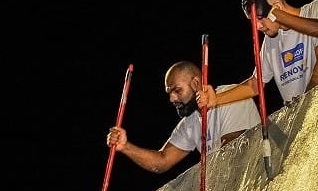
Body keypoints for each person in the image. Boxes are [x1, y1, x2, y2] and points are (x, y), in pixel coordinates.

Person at [197, 0, 318, 110]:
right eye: (253, 22)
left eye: (260, 18)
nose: (257, 27)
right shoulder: (270, 41)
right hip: (309, 118)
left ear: (275, 8)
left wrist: (306, 100)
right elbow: (255, 84)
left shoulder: (315, 10)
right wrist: (216, 99)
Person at [105, 60, 261, 174]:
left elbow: (233, 150)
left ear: (195, 84)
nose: (172, 99)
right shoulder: (189, 122)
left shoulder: (231, 96)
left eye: (177, 90)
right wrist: (125, 147)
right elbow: (162, 161)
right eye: (170, 93)